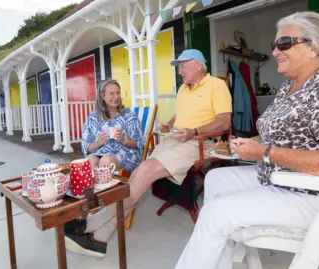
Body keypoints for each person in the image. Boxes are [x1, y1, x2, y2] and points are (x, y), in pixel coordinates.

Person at [174, 11, 319, 269]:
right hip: (289, 178)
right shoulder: (291, 86)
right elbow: (282, 134)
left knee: (217, 214)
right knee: (215, 179)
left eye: (284, 44)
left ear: (314, 47)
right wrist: (245, 145)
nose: (274, 52)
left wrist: (265, 153)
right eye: (275, 45)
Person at [64, 49, 232, 257]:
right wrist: (169, 124)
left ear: (198, 64)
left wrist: (194, 131)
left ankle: (92, 221)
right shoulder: (183, 89)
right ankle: (100, 238)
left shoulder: (216, 85)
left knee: (145, 171)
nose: (179, 70)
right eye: (179, 66)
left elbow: (224, 121)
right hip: (175, 140)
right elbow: (180, 116)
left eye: (183, 65)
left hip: (199, 142)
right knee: (136, 177)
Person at [64, 79, 144, 257]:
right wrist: (97, 142)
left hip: (125, 155)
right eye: (111, 93)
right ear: (102, 96)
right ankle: (90, 207)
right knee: (90, 162)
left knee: (105, 162)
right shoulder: (93, 118)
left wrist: (123, 139)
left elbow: (139, 143)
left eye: (118, 92)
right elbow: (87, 148)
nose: (116, 97)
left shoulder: (129, 115)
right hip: (101, 153)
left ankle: (95, 212)